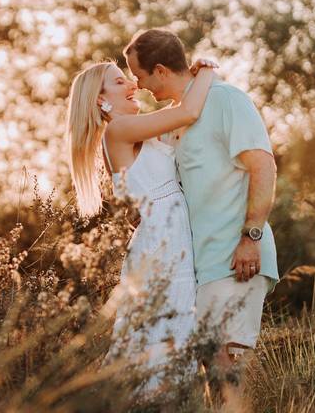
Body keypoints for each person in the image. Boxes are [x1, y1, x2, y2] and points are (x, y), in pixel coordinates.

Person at [123, 28, 279, 408]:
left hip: (235, 259)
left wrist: (251, 237)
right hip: (200, 268)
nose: (138, 85)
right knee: (213, 375)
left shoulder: (227, 100)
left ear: (160, 71)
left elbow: (264, 167)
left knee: (228, 373)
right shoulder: (176, 117)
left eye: (139, 75)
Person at [65, 56, 218, 397]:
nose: (133, 85)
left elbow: (180, 119)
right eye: (119, 82)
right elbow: (188, 112)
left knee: (170, 339)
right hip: (162, 246)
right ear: (100, 100)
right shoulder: (118, 130)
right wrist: (206, 72)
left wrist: (184, 84)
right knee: (161, 343)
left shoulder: (140, 134)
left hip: (168, 240)